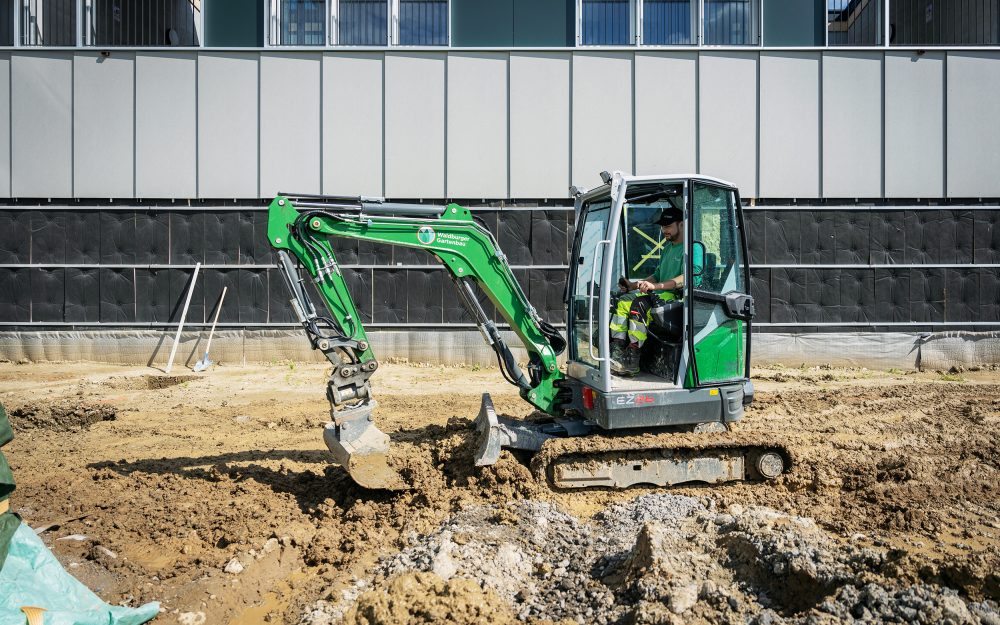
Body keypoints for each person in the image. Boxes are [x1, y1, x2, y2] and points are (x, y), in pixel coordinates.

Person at [609, 206, 701, 376]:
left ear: (681, 225)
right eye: (662, 226)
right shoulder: (668, 248)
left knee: (639, 304)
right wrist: (633, 285)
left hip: (678, 298)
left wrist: (656, 287)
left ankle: (632, 358)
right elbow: (657, 275)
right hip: (660, 294)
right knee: (622, 302)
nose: (663, 230)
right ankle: (617, 353)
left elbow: (688, 278)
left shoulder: (693, 248)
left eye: (667, 226)